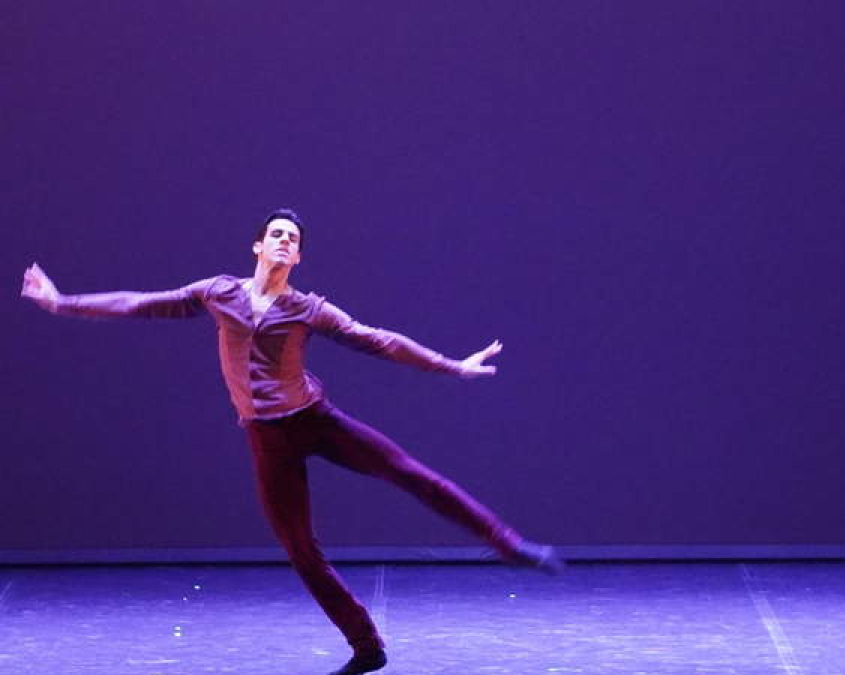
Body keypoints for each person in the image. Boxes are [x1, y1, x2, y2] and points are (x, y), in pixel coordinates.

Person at [21, 208, 564, 675]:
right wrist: (61, 302)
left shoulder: (308, 308)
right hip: (266, 438)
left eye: (293, 239)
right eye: (276, 234)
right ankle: (367, 648)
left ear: (298, 258)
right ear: (257, 245)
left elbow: (379, 340)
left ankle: (508, 545)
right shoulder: (218, 293)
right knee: (301, 551)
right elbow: (140, 303)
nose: (284, 241)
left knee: (411, 474)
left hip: (315, 420)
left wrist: (450, 365)